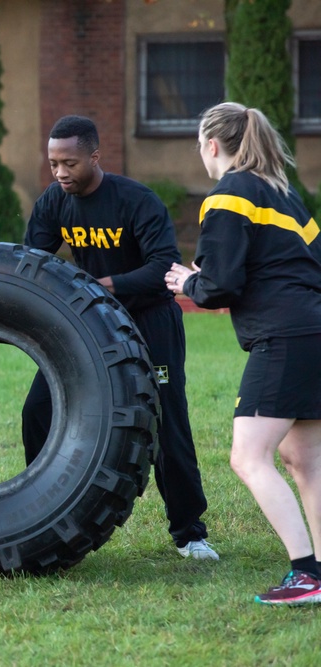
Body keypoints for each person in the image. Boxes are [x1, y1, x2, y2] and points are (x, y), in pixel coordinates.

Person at [23, 115, 218, 561]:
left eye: (69, 163)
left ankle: (190, 533)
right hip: (90, 324)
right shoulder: (54, 203)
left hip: (150, 319)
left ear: (94, 156)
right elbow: (33, 261)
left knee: (167, 422)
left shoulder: (136, 201)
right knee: (38, 410)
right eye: (53, 164)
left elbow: (164, 267)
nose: (60, 173)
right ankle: (42, 514)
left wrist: (99, 285)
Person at [165, 102, 321, 605]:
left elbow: (222, 284)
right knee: (304, 458)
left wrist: (192, 281)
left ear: (212, 145)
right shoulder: (286, 195)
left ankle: (307, 576)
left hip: (284, 336)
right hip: (313, 329)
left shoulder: (227, 195)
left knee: (248, 456)